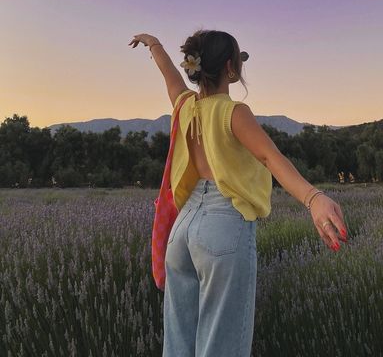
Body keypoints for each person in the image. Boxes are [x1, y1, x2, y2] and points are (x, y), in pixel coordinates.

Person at [128, 29, 348, 357]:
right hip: (223, 224)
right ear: (231, 68)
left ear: (195, 67)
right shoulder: (234, 113)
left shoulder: (184, 106)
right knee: (222, 346)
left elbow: (170, 76)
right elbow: (270, 156)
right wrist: (312, 197)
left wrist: (153, 44)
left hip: (183, 230)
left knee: (179, 344)